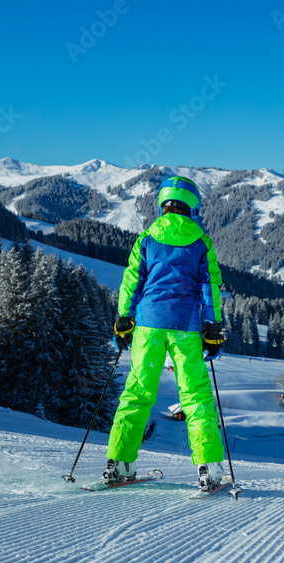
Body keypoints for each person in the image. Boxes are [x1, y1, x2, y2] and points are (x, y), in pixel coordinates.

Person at [101, 175, 227, 491]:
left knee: (138, 392)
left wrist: (124, 319)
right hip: (185, 326)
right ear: (192, 206)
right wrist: (213, 328)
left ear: (163, 203)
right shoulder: (201, 241)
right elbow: (209, 287)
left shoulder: (146, 237)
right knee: (196, 396)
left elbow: (132, 280)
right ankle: (207, 466)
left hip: (147, 324)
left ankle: (120, 462)